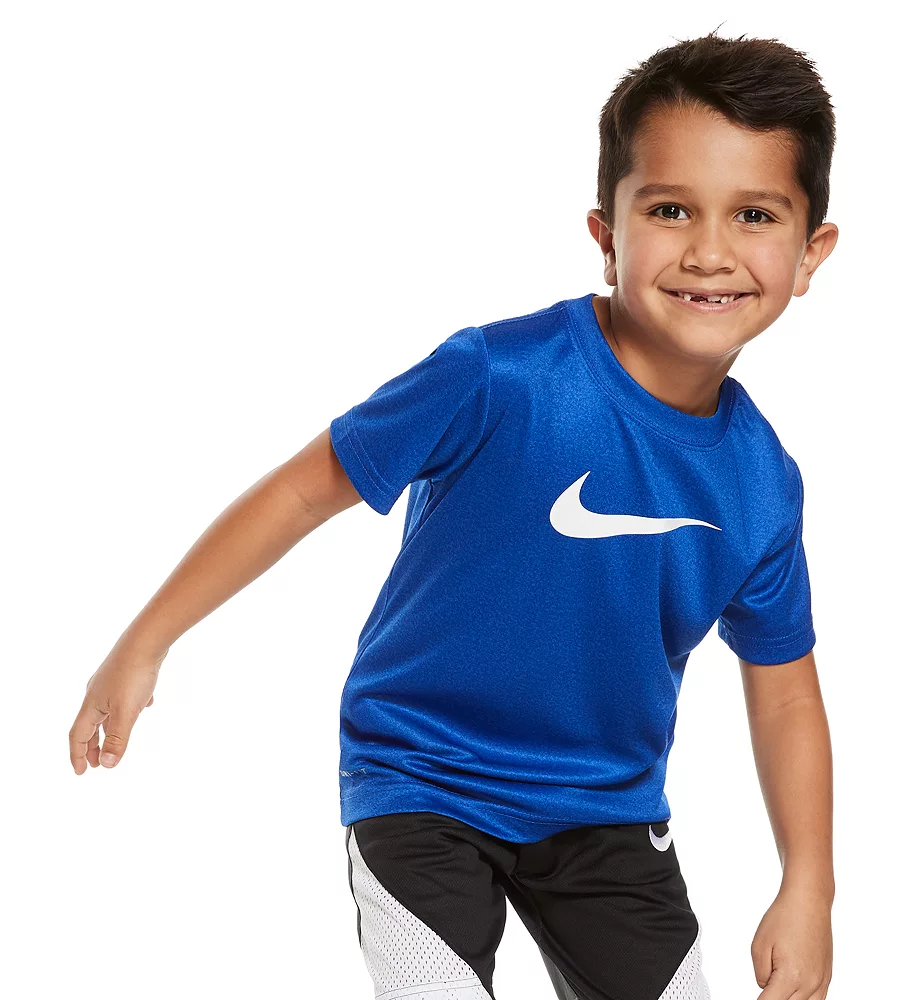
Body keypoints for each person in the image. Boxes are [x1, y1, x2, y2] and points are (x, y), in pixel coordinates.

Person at [69, 29, 838, 1000]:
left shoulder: (762, 482)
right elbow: (302, 490)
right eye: (670, 208)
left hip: (604, 809)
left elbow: (784, 692)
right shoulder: (498, 375)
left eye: (755, 214)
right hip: (423, 775)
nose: (709, 251)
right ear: (607, 235)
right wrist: (143, 643)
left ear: (810, 253)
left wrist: (808, 886)